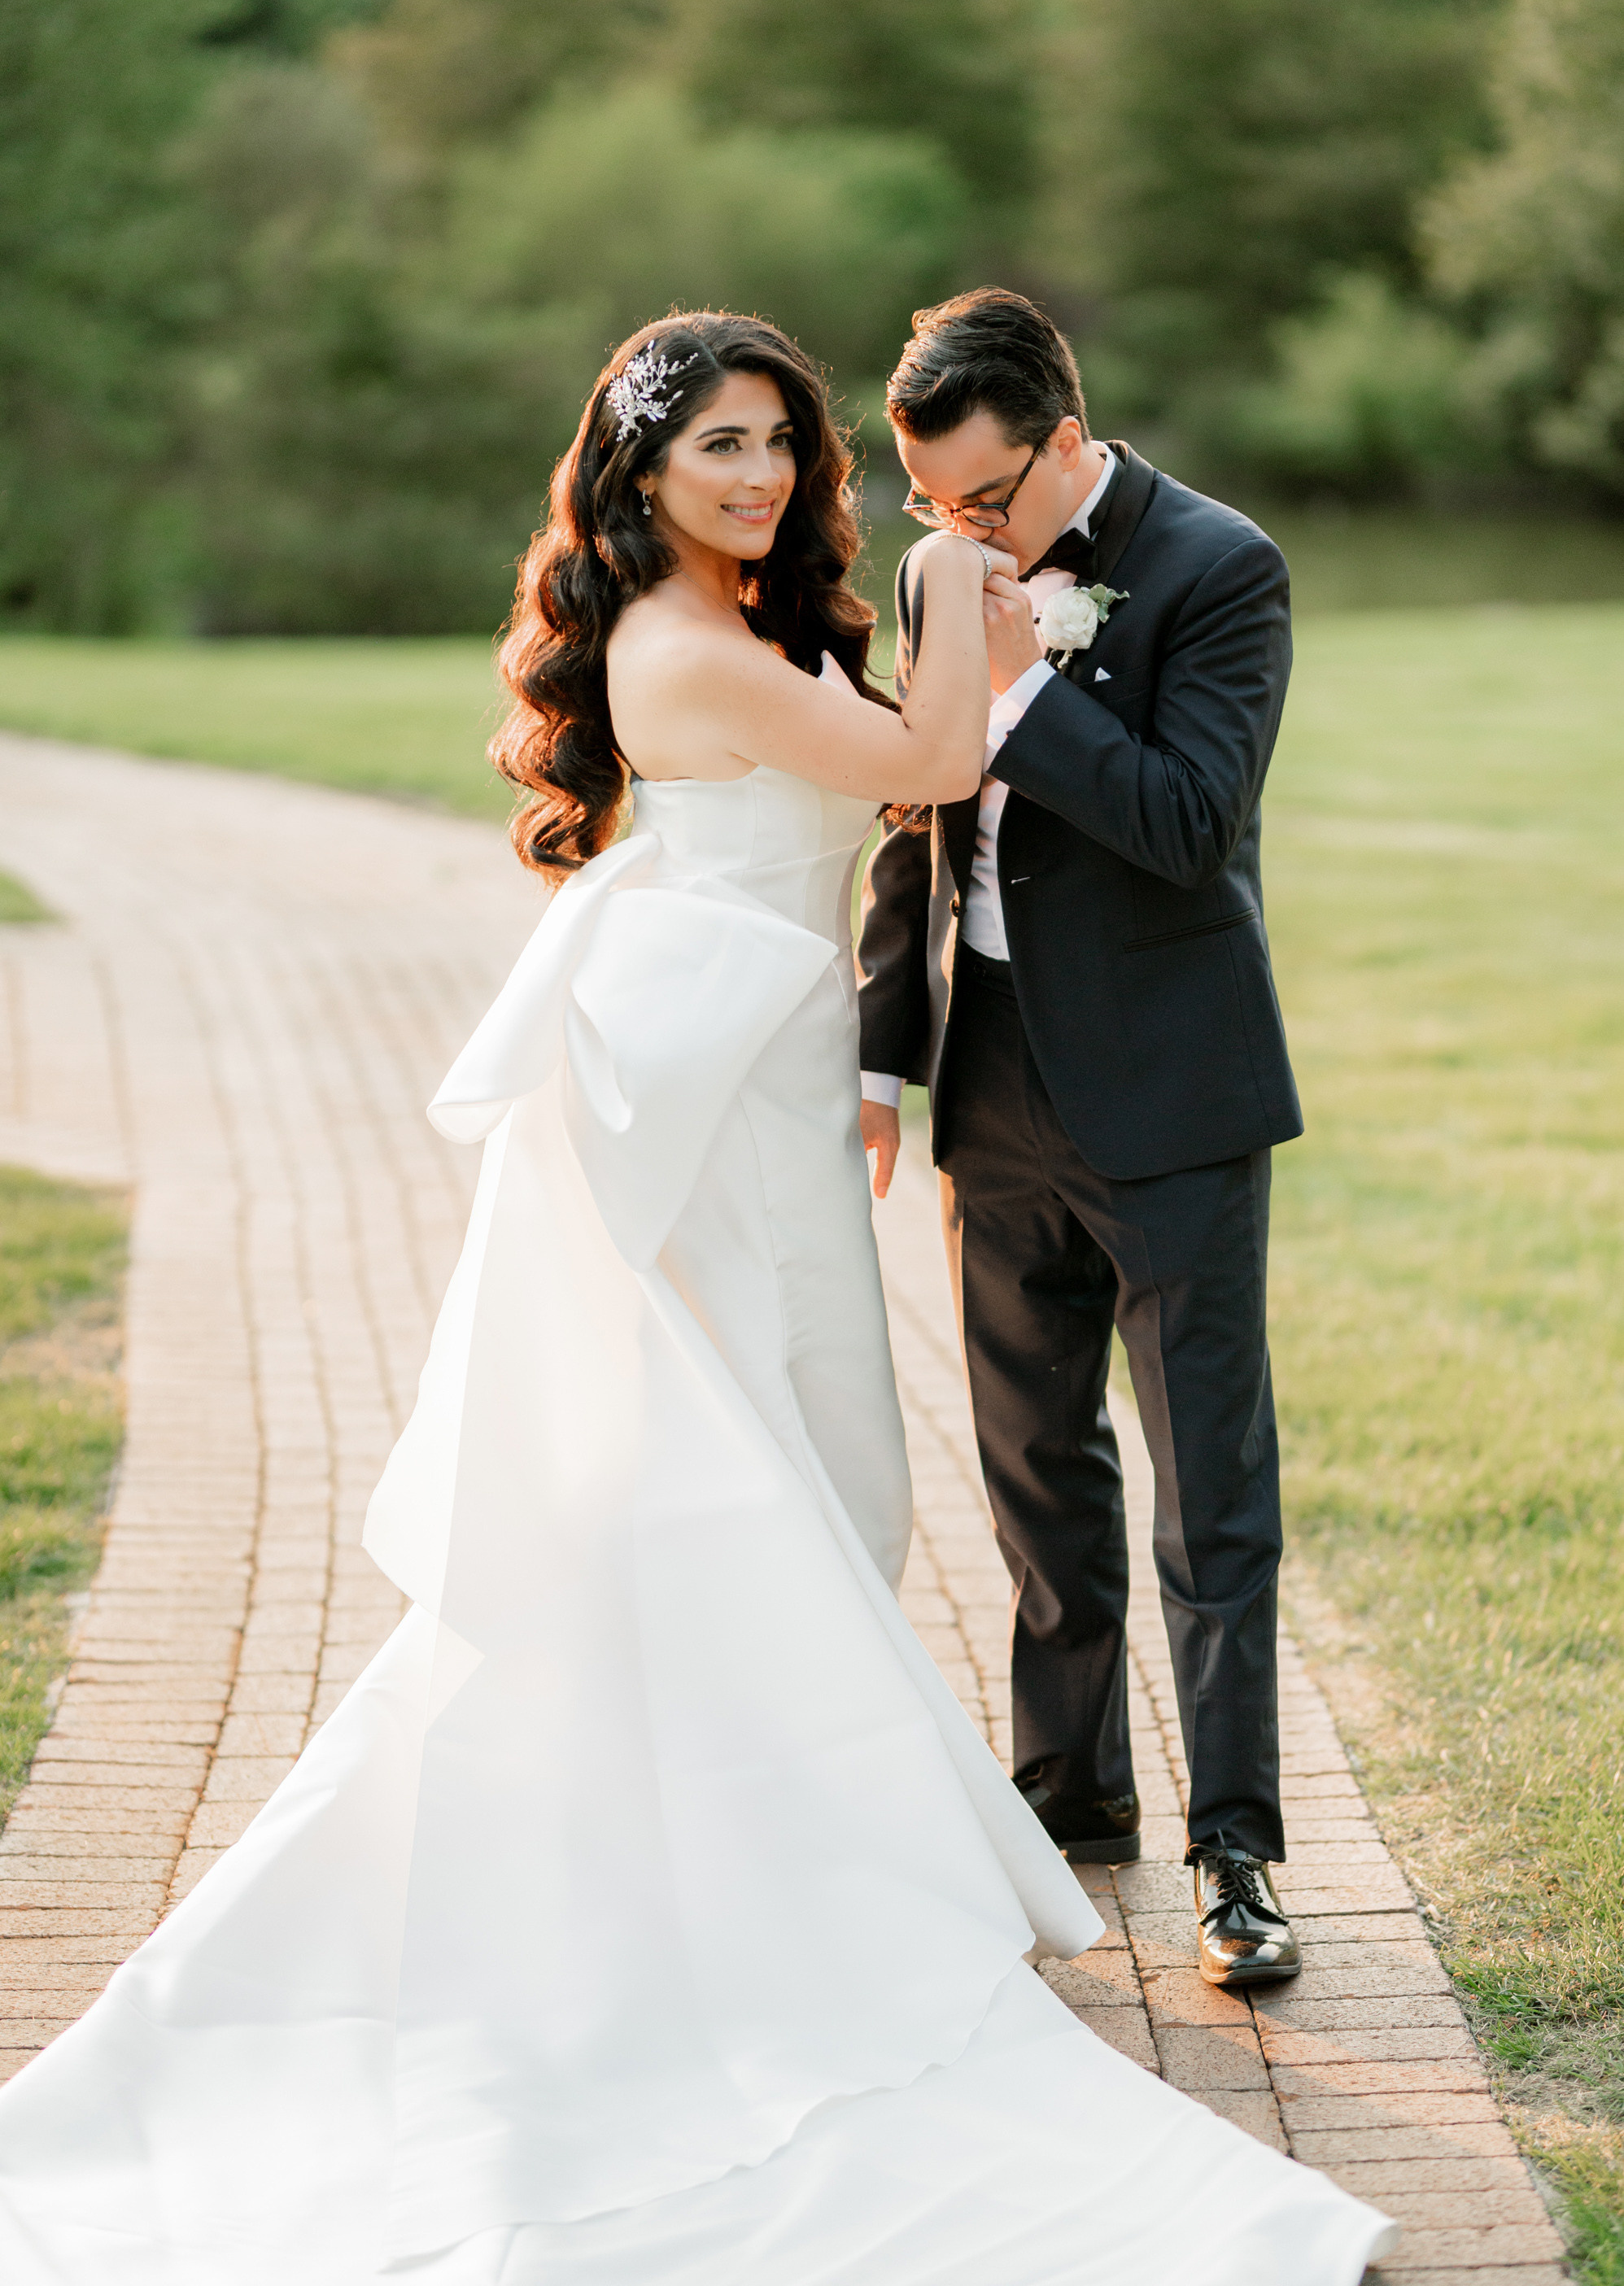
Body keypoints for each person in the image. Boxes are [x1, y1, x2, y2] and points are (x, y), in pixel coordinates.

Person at [0, 312, 1391, 2283]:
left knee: (867, 1480)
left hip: (850, 1071)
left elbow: (1083, 812)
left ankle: (1113, 1845)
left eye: (773, 444)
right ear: (640, 473)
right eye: (716, 448)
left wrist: (878, 1046)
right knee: (802, 1483)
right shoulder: (694, 640)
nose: (754, 477)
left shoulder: (1156, 572)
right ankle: (813, 1866)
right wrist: (948, 614)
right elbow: (923, 778)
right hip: (738, 1087)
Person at [858, 286, 1306, 1992]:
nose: (955, 537)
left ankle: (1239, 1854)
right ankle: (1069, 1798)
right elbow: (916, 825)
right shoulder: (928, 574)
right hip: (990, 1092)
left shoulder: (1217, 567)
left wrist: (1031, 697)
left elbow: (1192, 827)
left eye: (984, 502)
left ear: (1064, 437)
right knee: (1034, 1466)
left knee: (1209, 1491)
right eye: (928, 506)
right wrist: (885, 1057)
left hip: (1171, 1100)